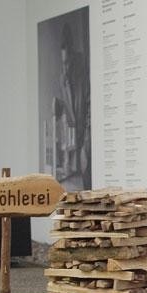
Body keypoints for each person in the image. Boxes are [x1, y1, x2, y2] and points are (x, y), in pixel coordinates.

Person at [55, 22, 91, 189]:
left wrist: (85, 144)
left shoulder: (81, 70)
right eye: (63, 64)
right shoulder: (63, 79)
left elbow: (87, 108)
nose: (65, 67)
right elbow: (67, 115)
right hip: (78, 135)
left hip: (87, 132)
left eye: (67, 63)